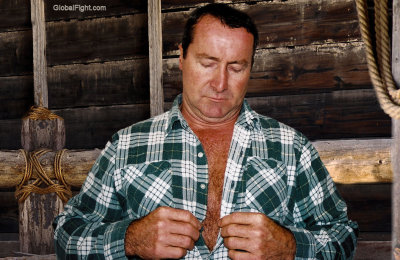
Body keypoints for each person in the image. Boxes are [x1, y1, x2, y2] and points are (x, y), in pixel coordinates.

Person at [54, 3, 358, 259]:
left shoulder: (291, 148)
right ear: (182, 57)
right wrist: (129, 239)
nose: (221, 83)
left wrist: (290, 247)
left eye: (236, 67)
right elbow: (68, 235)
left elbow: (342, 235)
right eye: (208, 63)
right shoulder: (128, 145)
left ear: (251, 68)